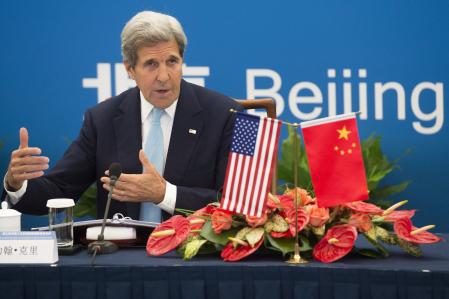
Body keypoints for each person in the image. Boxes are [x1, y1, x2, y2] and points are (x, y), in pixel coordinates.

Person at [3, 11, 240, 222]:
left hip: (194, 258)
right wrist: (17, 183)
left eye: (172, 62)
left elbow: (237, 203)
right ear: (129, 69)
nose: (164, 76)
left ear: (182, 61)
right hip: (121, 257)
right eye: (151, 64)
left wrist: (164, 194)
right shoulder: (102, 119)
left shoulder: (225, 115)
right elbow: (59, 191)